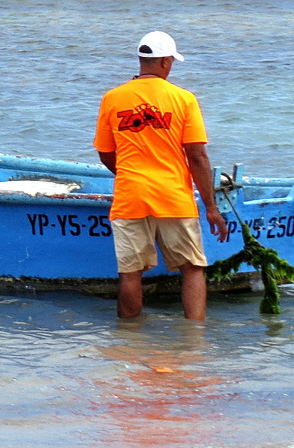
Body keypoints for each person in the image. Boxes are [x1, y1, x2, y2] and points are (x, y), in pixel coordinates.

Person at [94, 31, 232, 321]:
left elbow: (105, 153)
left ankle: (129, 341)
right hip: (173, 197)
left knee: (130, 273)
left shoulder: (112, 98)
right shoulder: (183, 99)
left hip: (130, 196)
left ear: (142, 59)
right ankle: (193, 339)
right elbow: (197, 157)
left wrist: (131, 175)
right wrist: (211, 208)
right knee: (192, 268)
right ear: (166, 61)